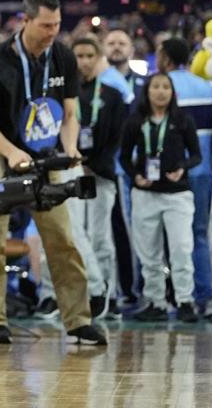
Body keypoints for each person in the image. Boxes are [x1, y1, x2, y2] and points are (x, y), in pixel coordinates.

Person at [0, 0, 106, 345]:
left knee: (62, 238)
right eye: (45, 25)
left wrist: (71, 146)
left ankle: (77, 320)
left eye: (57, 25)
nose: (52, 32)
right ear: (24, 21)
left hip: (44, 153)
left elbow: (71, 111)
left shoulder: (62, 56)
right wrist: (12, 152)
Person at [37, 36, 126, 319]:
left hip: (100, 174)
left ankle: (105, 296)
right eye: (80, 56)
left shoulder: (112, 94)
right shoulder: (59, 95)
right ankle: (55, 294)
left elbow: (116, 139)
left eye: (90, 55)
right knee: (65, 232)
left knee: (100, 238)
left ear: (99, 57)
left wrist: (92, 164)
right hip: (66, 168)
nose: (85, 61)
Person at [119, 73, 201, 322]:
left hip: (177, 195)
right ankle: (156, 301)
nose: (161, 92)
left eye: (166, 87)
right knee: (149, 253)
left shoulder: (182, 120)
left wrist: (182, 169)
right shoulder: (135, 121)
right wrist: (135, 177)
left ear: (172, 91)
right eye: (156, 87)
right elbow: (123, 157)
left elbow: (196, 155)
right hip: (145, 195)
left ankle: (185, 300)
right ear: (147, 91)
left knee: (181, 249)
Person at [156, 37, 212, 314]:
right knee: (198, 233)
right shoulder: (206, 87)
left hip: (174, 173)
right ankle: (204, 295)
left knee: (165, 236)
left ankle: (170, 297)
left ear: (165, 58)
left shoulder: (159, 87)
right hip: (203, 170)